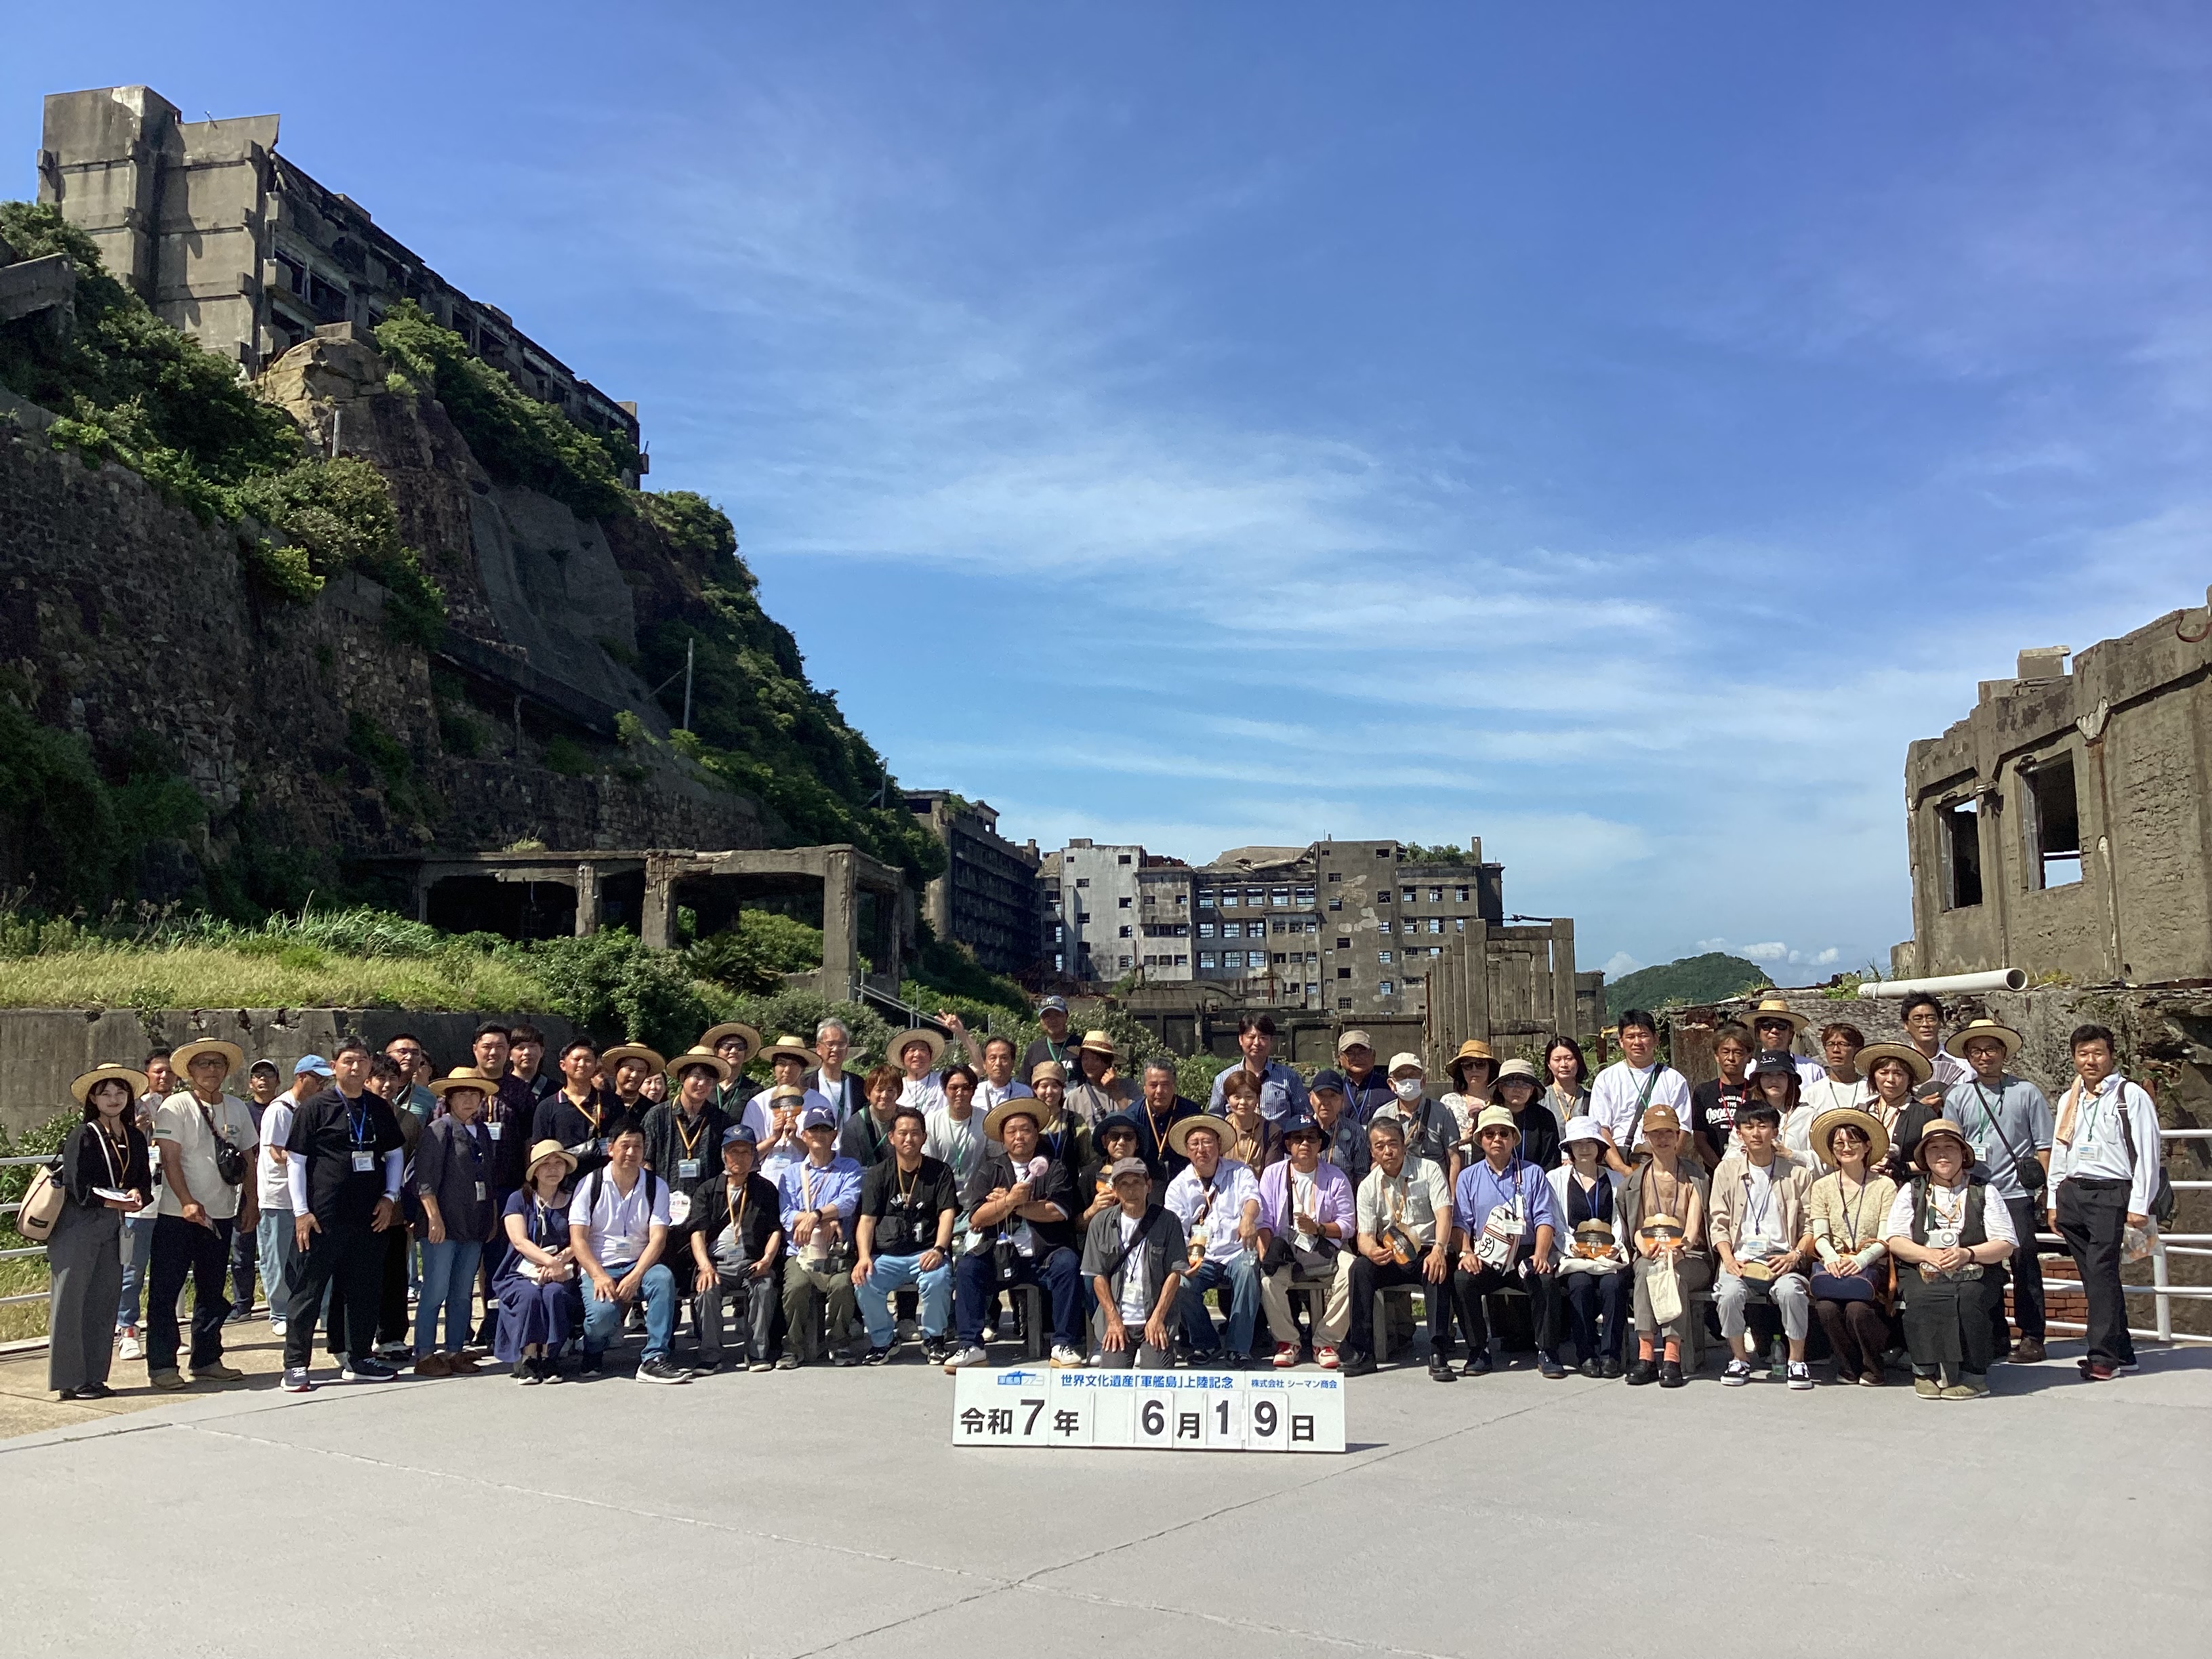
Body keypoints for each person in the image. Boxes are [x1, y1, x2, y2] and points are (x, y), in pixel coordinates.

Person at [281, 1038, 406, 1391]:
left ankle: (360, 1358)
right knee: (308, 1291)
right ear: (334, 1066)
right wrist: (301, 1212)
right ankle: (295, 1364)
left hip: (369, 1216)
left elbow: (395, 1154)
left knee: (364, 1289)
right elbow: (296, 1162)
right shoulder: (314, 1107)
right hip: (322, 1216)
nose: (356, 1067)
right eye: (348, 1061)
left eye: (362, 1061)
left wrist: (390, 1196)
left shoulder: (378, 1108)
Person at [2048, 1023, 2163, 1383]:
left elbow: (2148, 1153)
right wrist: (2054, 1199)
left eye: (2098, 1053)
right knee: (2098, 1278)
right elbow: (2060, 1151)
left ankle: (2102, 1358)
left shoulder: (2130, 1095)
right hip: (2073, 1192)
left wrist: (2140, 1204)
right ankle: (2123, 1351)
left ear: (2111, 1056)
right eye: (2083, 1054)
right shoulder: (2070, 1098)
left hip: (2112, 1193)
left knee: (2100, 1273)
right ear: (2074, 1058)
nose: (2090, 1060)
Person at [147, 1038, 258, 1389]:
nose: (211, 1070)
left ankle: (207, 1358)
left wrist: (252, 1203)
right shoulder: (175, 1106)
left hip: (221, 1214)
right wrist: (186, 1200)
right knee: (166, 1290)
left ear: (226, 1070)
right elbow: (170, 1157)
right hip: (177, 1215)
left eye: (217, 1064)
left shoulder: (237, 1108)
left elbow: (249, 1157)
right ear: (189, 1071)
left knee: (212, 1290)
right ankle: (162, 1365)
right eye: (203, 1064)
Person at [944, 1097, 1086, 1370]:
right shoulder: (989, 1169)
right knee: (969, 1267)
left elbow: (1058, 1211)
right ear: (1003, 1138)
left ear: (1036, 1134)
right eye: (1012, 1131)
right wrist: (1009, 1201)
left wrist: (1012, 1205)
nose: (1019, 1136)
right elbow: (977, 1217)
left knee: (1068, 1263)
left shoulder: (1054, 1168)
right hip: (1000, 1253)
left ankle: (1063, 1343)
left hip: (1046, 1252)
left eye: (1026, 1130)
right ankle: (970, 1345)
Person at [1944, 1018, 2053, 1364]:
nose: (1984, 1056)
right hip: (1975, 1191)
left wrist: (2045, 1189)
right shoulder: (1958, 1096)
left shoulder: (2027, 1092)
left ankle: (2033, 1335)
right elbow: (1950, 1145)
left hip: (2016, 1191)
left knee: (2024, 1261)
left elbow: (2044, 1144)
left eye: (1991, 1049)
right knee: (1980, 1262)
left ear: (2004, 1053)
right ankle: (1994, 1334)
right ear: (1968, 1057)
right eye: (1976, 1050)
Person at [1887, 1118, 2017, 1399]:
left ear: (1963, 1154)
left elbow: (2006, 1243)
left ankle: (1974, 1375)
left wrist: (1968, 1254)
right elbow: (1896, 1239)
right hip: (1923, 1266)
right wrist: (1928, 1254)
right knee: (1922, 1295)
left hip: (1976, 1268)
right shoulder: (1912, 1190)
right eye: (1933, 1149)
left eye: (1950, 1147)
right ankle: (1925, 1371)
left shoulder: (1984, 1191)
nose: (1942, 1155)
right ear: (1924, 1157)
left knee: (1970, 1297)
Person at [47, 1065, 152, 1401]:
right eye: (105, 1093)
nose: (113, 1099)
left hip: (115, 1224)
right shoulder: (83, 1134)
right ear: (93, 1098)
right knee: (71, 1301)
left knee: (104, 1300)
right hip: (77, 1225)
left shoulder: (134, 1137)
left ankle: (94, 1376)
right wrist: (111, 1201)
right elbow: (76, 1185)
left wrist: (137, 1194)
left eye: (120, 1093)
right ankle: (69, 1380)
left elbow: (143, 1180)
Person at [1708, 1093, 1817, 1390]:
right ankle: (1739, 1358)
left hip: (1783, 1258)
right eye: (1749, 1127)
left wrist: (1795, 1255)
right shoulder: (1726, 1171)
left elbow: (1811, 1225)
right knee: (1728, 1294)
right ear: (1739, 1133)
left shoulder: (1797, 1174)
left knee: (1792, 1292)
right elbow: (1718, 1222)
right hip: (1741, 1258)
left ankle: (1797, 1361)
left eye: (1763, 1126)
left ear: (1775, 1131)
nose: (1756, 1133)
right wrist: (1728, 1259)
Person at [569, 1115, 688, 1384]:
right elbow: (578, 1240)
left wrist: (636, 1275)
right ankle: (592, 1349)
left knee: (663, 1279)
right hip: (600, 1265)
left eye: (638, 1146)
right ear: (611, 1148)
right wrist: (599, 1276)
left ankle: (654, 1358)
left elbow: (658, 1239)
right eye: (625, 1146)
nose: (632, 1152)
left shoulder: (656, 1186)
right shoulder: (590, 1184)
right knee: (603, 1318)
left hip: (639, 1263)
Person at [1450, 1104, 1564, 1378]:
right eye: (1489, 1133)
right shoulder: (1468, 1177)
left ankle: (1547, 1351)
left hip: (1524, 1254)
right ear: (1480, 1139)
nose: (1497, 1139)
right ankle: (1478, 1350)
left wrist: (1541, 1254)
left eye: (1504, 1133)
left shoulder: (1534, 1173)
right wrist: (1465, 1252)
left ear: (1514, 1138)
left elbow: (1544, 1218)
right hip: (1486, 1254)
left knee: (1545, 1280)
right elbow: (1460, 1223)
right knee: (1462, 1280)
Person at [1340, 1116, 1456, 1379]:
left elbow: (1444, 1214)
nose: (1387, 1151)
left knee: (1437, 1269)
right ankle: (1363, 1353)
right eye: (1379, 1146)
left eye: (1393, 1143)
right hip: (1391, 1253)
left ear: (1404, 1145)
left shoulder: (1429, 1170)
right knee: (1360, 1269)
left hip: (1427, 1249)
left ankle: (1438, 1353)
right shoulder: (1368, 1185)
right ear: (1372, 1151)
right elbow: (1364, 1235)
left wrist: (1440, 1248)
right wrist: (1372, 1251)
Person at [853, 1106, 959, 1364]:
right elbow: (867, 1220)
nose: (908, 1138)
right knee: (864, 1281)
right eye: (902, 1133)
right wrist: (864, 1257)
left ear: (924, 1137)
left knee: (938, 1279)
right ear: (891, 1137)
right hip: (887, 1255)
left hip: (927, 1252)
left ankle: (934, 1339)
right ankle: (883, 1340)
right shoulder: (878, 1174)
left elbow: (947, 1214)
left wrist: (939, 1249)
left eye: (915, 1133)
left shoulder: (940, 1171)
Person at [413, 1068, 499, 1376]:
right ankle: (425, 1353)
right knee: (435, 1289)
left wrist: (492, 1217)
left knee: (462, 1292)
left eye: (474, 1094)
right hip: (443, 1222)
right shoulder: (439, 1129)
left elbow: (489, 1178)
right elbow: (425, 1180)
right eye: (461, 1094)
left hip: (473, 1221)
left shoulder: (483, 1131)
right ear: (449, 1099)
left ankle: (454, 1350)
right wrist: (434, 1218)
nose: (468, 1100)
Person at [1806, 1105, 1898, 1387]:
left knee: (1858, 1309)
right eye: (1839, 1144)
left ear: (1867, 1146)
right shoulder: (1822, 1186)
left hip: (1871, 1265)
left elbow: (1886, 1236)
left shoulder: (1885, 1185)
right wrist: (1831, 1258)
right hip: (1834, 1263)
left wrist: (1861, 1260)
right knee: (1826, 1308)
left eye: (1853, 1142)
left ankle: (1872, 1365)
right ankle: (1847, 1365)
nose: (1846, 1148)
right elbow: (1820, 1233)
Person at [1255, 1113, 1356, 1369]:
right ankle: (1288, 1342)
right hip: (1287, 1248)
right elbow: (1264, 1221)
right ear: (1288, 1144)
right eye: (1298, 1138)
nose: (1305, 1144)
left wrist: (1319, 1228)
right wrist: (1266, 1252)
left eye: (1311, 1138)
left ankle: (1326, 1341)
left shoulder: (1336, 1177)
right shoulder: (1272, 1174)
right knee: (1268, 1279)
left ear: (1320, 1144)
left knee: (1353, 1270)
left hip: (1326, 1246)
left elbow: (1348, 1225)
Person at [1618, 1105, 1708, 1387]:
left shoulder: (1696, 1177)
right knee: (1646, 1271)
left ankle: (1672, 1357)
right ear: (1646, 1136)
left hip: (1690, 1255)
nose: (1662, 1139)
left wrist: (1680, 1250)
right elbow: (1634, 1228)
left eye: (1668, 1132)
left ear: (1678, 1135)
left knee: (1673, 1275)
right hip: (1650, 1251)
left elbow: (1693, 1227)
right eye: (1655, 1133)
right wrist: (1644, 1249)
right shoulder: (1634, 1182)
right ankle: (1646, 1357)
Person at [1164, 1116, 1262, 1366]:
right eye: (1194, 1144)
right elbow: (1176, 1229)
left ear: (1219, 1144)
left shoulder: (1240, 1172)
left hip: (1236, 1250)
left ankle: (1238, 1348)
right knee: (1180, 1283)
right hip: (1201, 1255)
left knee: (1249, 1266)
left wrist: (1248, 1219)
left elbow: (1252, 1199)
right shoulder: (1178, 1186)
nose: (1201, 1149)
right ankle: (1206, 1343)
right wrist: (1185, 1258)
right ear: (1187, 1150)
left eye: (1207, 1142)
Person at [775, 1105, 863, 1368]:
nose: (819, 1135)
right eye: (813, 1129)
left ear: (834, 1134)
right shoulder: (792, 1173)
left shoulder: (849, 1167)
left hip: (836, 1249)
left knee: (842, 1286)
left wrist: (815, 1216)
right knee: (796, 1287)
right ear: (803, 1135)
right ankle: (794, 1347)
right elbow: (786, 1215)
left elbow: (848, 1202)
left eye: (825, 1129)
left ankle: (839, 1343)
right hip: (800, 1250)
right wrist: (825, 1219)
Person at [689, 1126, 783, 1372]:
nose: (739, 1157)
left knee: (764, 1286)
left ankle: (758, 1354)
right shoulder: (708, 1189)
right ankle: (710, 1356)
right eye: (733, 1151)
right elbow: (697, 1233)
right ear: (723, 1155)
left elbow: (775, 1230)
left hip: (751, 1261)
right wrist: (705, 1267)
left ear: (753, 1155)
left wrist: (766, 1260)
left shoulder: (765, 1189)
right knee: (706, 1288)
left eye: (745, 1151)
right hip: (716, 1263)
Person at [641, 1048, 733, 1292]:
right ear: (682, 1078)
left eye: (709, 1080)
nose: (702, 1084)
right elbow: (645, 1162)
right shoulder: (657, 1116)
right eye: (696, 1077)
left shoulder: (721, 1120)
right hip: (664, 1208)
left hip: (705, 1212)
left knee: (701, 1282)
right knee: (666, 1278)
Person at [1082, 1156, 1186, 1369]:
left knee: (1157, 1377)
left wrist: (1158, 1318)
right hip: (1117, 1318)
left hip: (1154, 1316)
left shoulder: (1168, 1221)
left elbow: (1175, 1274)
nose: (1131, 1190)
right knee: (1113, 1379)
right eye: (1124, 1184)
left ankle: (1164, 1350)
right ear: (1115, 1190)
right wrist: (1113, 1320)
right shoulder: (1100, 1223)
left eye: (1137, 1183)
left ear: (1149, 1186)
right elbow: (1097, 1276)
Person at [493, 1140, 581, 1384]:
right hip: (520, 1271)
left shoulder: (575, 1199)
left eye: (558, 1163)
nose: (553, 1169)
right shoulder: (518, 1199)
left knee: (554, 1294)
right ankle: (529, 1358)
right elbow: (519, 1241)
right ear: (535, 1170)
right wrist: (549, 1262)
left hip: (561, 1270)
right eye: (546, 1164)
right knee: (529, 1295)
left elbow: (581, 1239)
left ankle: (550, 1357)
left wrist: (560, 1263)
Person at [1549, 1117, 1629, 1377]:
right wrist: (1570, 1245)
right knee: (1580, 1285)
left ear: (1600, 1147)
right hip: (1574, 1257)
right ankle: (1585, 1355)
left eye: (1590, 1143)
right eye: (1578, 1144)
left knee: (1613, 1286)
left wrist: (1616, 1246)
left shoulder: (1616, 1180)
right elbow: (1555, 1220)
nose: (1584, 1148)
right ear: (1569, 1148)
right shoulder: (1555, 1179)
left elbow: (1620, 1221)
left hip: (1608, 1257)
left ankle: (1611, 1356)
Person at [256, 1055, 329, 1340]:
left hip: (305, 1198)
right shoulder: (279, 1109)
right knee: (275, 1257)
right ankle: (278, 1313)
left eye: (324, 1081)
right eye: (317, 1079)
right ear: (301, 1077)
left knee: (306, 1258)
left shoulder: (312, 1109)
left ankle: (314, 1311)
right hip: (278, 1196)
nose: (322, 1085)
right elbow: (276, 1153)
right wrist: (310, 1159)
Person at [115, 1047, 172, 1363]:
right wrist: (136, 1131)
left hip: (173, 1203)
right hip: (140, 1205)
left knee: (169, 1273)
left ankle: (165, 1334)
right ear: (147, 1074)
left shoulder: (184, 1105)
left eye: (169, 1071)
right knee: (132, 1270)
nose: (164, 1076)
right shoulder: (131, 1107)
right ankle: (127, 1329)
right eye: (158, 1071)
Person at [1589, 1010, 1691, 1174]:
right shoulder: (1606, 1078)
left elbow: (1683, 1128)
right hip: (1617, 1164)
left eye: (1643, 1036)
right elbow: (1601, 1129)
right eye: (1630, 1037)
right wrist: (1622, 1169)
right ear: (1621, 1041)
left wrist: (1665, 1166)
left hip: (1662, 1163)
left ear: (1655, 1039)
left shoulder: (1674, 1079)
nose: (1637, 1042)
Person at [226, 1059, 283, 1322]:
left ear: (278, 1081)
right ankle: (242, 1304)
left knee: (280, 1251)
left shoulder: (286, 1109)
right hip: (247, 1187)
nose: (263, 1080)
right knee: (242, 1248)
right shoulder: (242, 1112)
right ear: (250, 1084)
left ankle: (282, 1304)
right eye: (258, 1076)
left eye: (269, 1075)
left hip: (278, 1189)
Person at [1207, 1012, 1310, 1123]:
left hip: (1278, 1134)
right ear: (1241, 1039)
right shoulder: (1223, 1079)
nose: (1256, 1043)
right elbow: (1214, 1120)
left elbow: (1304, 1116)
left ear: (1271, 1041)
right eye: (1251, 1037)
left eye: (1263, 1038)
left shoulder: (1289, 1077)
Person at [533, 1036, 616, 1170]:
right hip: (563, 1178)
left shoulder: (612, 1102)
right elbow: (540, 1151)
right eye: (576, 1059)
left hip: (603, 1178)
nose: (582, 1064)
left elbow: (621, 1140)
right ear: (563, 1065)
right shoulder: (547, 1107)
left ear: (595, 1066)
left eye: (588, 1060)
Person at [741, 1037, 837, 1148]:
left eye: (794, 1064)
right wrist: (774, 1138)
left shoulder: (819, 1104)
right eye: (781, 1064)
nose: (787, 1070)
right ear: (774, 1067)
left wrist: (794, 1139)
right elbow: (745, 1153)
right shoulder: (757, 1104)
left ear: (803, 1068)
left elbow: (826, 1151)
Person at [1374, 1052, 1459, 1176]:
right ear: (1391, 1084)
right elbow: (1376, 1161)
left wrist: (1453, 1189)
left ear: (1423, 1081)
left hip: (1434, 1185)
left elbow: (1453, 1159)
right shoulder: (1382, 1116)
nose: (1408, 1080)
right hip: (1396, 1185)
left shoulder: (1442, 1113)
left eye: (1413, 1074)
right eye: (1401, 1076)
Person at [1853, 1041, 1931, 1175]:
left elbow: (1935, 1158)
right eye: (1884, 1073)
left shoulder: (1924, 1115)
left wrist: (1902, 1168)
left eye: (1898, 1074)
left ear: (1909, 1079)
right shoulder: (1861, 1111)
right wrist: (1865, 1165)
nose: (1890, 1079)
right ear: (1873, 1077)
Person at [1798, 1023, 1872, 1159]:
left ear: (1857, 1050)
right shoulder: (1811, 1093)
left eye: (1843, 1044)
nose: (1836, 1050)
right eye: (1830, 1044)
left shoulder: (1871, 1089)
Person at [1690, 1022, 1754, 1170]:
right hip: (1714, 1171)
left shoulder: (1756, 1092)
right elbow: (1699, 1138)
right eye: (1725, 1052)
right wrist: (1720, 1169)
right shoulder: (1703, 1092)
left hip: (1752, 1169)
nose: (1731, 1058)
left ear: (1748, 1056)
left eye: (1738, 1052)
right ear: (1717, 1056)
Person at [1130, 1058, 1200, 1183]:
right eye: (1153, 1085)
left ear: (1174, 1087)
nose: (1159, 1091)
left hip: (1187, 1180)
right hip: (1144, 1182)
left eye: (1165, 1085)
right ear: (1144, 1088)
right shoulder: (1132, 1116)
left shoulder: (1192, 1113)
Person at [1492, 1059, 1562, 1172]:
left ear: (1532, 1090)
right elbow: (1479, 1161)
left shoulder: (1544, 1118)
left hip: (1535, 1180)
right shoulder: (1487, 1116)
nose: (1518, 1089)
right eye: (1511, 1083)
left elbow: (1551, 1162)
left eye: (1525, 1084)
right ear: (1500, 1087)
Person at [1744, 995, 1827, 1090]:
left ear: (1791, 1033)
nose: (1774, 1030)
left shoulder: (1813, 1070)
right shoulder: (1746, 1069)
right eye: (1767, 1025)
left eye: (1781, 1026)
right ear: (1758, 1032)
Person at [1900, 992, 1973, 1092]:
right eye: (1918, 1019)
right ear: (1906, 1025)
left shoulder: (1961, 1063)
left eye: (1931, 1019)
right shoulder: (1900, 1066)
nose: (1925, 1024)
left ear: (1941, 1022)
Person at [1307, 1070, 1370, 1184]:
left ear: (1342, 1100)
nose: (1326, 1102)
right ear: (1311, 1098)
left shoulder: (1356, 1132)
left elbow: (1362, 1177)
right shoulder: (1300, 1131)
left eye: (1333, 1096)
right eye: (1321, 1095)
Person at [1217, 1067, 1284, 1175]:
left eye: (1249, 1097)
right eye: (1237, 1097)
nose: (1243, 1102)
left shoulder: (1272, 1131)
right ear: (1228, 1099)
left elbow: (1272, 1175)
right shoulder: (1220, 1130)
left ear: (1258, 1099)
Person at [838, 1064, 905, 1168]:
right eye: (879, 1090)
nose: (885, 1095)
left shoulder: (909, 1119)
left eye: (890, 1090)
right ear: (868, 1093)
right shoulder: (854, 1126)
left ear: (899, 1092)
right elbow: (850, 1167)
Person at [1065, 1029, 1134, 1129]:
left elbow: (1137, 1118)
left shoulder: (1129, 1087)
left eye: (1096, 1059)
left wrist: (1116, 1091)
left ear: (1108, 1062)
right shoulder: (1074, 1098)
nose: (1089, 1064)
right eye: (1085, 1058)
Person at [700, 1021, 764, 1120]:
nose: (734, 1051)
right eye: (727, 1047)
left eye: (740, 1047)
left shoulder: (755, 1091)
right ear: (716, 1051)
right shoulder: (704, 1087)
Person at [1440, 1040, 1499, 1144]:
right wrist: (1459, 1139)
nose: (1474, 1069)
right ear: (1461, 1070)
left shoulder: (1499, 1102)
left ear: (1490, 1068)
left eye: (1480, 1064)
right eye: (1467, 1065)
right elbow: (1437, 1141)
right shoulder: (1448, 1101)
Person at [1332, 1029, 1396, 1125]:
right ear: (1340, 1059)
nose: (1357, 1057)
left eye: (1362, 1052)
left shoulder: (1390, 1087)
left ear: (1373, 1055)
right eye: (1350, 1053)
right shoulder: (1335, 1088)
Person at [806, 1018, 865, 1120]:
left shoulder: (858, 1084)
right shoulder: (806, 1084)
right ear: (819, 1048)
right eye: (830, 1044)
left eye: (841, 1045)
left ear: (846, 1050)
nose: (836, 1049)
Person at [890, 1028, 949, 1115]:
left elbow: (973, 1070)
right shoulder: (895, 1087)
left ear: (931, 1057)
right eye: (912, 1050)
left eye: (923, 1050)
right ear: (902, 1058)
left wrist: (961, 1033)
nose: (917, 1054)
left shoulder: (944, 1080)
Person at [1021, 995, 1080, 1079]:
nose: (1053, 1020)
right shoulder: (1034, 1049)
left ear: (1066, 1016)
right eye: (1047, 1016)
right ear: (1041, 1021)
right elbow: (1025, 1083)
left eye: (1058, 1015)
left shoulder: (1080, 1044)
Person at [600, 1044, 666, 1120]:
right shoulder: (600, 1103)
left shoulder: (652, 1111)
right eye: (630, 1069)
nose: (634, 1075)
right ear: (617, 1068)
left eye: (641, 1071)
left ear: (646, 1074)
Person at [971, 1036, 1034, 1114]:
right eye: (993, 1058)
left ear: (1013, 1063)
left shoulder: (1024, 1093)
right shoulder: (975, 1093)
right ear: (984, 1064)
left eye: (1004, 1058)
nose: (998, 1063)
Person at [1542, 1036, 1592, 1126]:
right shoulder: (1541, 1099)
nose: (1563, 1064)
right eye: (1557, 1060)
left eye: (1569, 1059)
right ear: (1549, 1064)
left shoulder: (1591, 1098)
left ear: (1578, 1061)